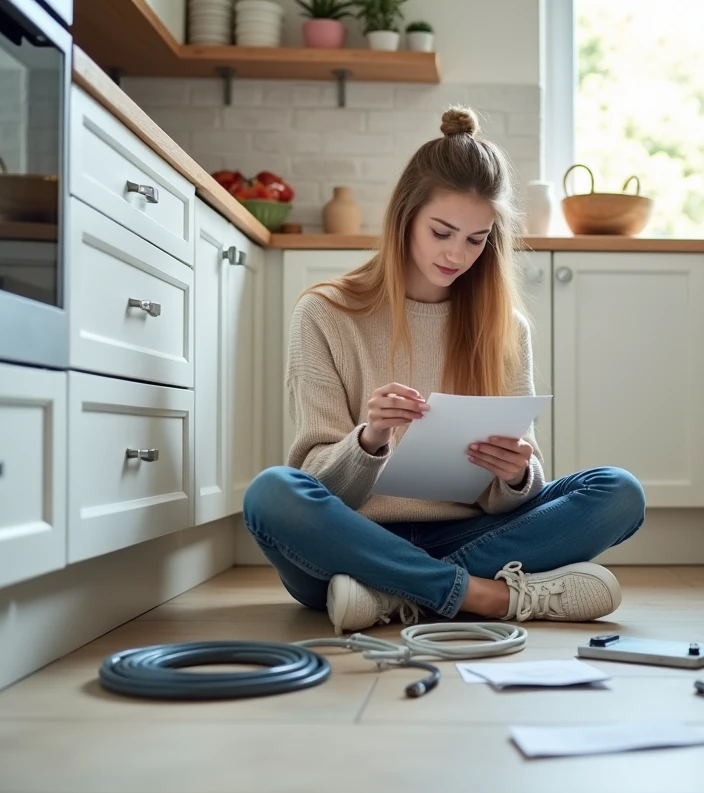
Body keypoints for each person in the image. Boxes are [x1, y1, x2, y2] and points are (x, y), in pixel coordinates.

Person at [242, 106, 646, 636]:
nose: (457, 254)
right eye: (442, 232)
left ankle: (390, 596)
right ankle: (484, 596)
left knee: (618, 492)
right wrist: (371, 438)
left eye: (476, 240)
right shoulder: (324, 313)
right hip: (349, 539)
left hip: (467, 538)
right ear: (406, 217)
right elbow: (315, 482)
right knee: (272, 494)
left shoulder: (507, 328)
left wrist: (516, 474)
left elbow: (521, 492)